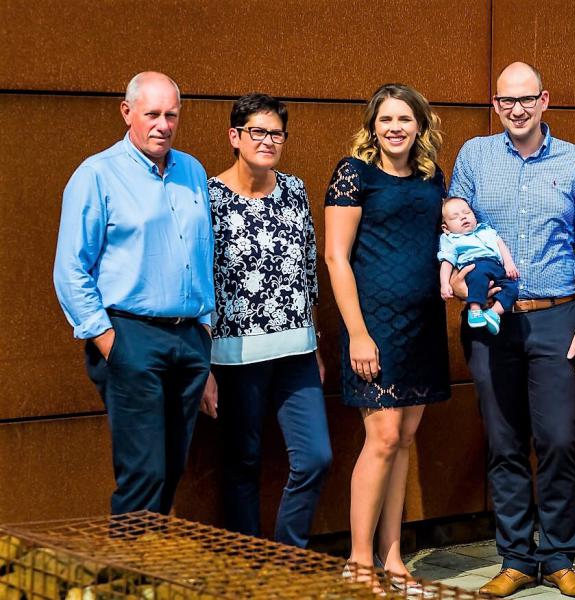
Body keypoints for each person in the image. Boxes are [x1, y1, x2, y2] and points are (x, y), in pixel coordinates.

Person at [448, 62, 575, 598]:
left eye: (526, 99)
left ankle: (560, 557)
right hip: (493, 321)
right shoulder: (473, 157)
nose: (516, 110)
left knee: (560, 439)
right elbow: (452, 233)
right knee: (504, 441)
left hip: (558, 316)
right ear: (495, 105)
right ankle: (516, 559)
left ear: (545, 100)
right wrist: (461, 282)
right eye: (505, 101)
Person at [53, 72, 213, 515]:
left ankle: (148, 576)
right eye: (152, 114)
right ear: (127, 113)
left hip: (188, 339)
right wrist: (109, 341)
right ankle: (126, 581)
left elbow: (202, 255)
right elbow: (70, 268)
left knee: (172, 466)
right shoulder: (97, 174)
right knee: (143, 472)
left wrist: (204, 331)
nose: (163, 124)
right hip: (131, 334)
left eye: (171, 115)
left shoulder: (192, 170)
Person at [324, 84, 450, 586]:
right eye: (385, 119)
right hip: (373, 325)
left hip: (421, 326)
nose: (395, 127)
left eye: (404, 119)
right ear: (372, 125)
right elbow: (336, 257)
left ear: (420, 125)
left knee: (404, 438)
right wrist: (357, 332)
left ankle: (393, 557)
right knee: (382, 437)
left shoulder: (431, 177)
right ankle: (358, 561)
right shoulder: (353, 174)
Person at [199, 93, 332, 548]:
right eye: (258, 131)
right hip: (235, 357)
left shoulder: (294, 189)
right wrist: (205, 368)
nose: (268, 141)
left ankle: (289, 554)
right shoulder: (209, 196)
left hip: (297, 351)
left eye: (276, 133)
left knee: (315, 456)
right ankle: (247, 566)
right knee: (243, 462)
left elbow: (307, 273)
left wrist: (314, 345)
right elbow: (200, 280)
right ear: (235, 136)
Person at [438, 197, 520, 334]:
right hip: (473, 266)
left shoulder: (486, 230)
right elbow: (446, 263)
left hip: (496, 267)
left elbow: (500, 245)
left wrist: (509, 263)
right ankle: (475, 310)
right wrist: (445, 283)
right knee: (478, 277)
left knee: (512, 288)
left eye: (467, 213)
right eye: (455, 217)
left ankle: (492, 314)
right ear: (446, 228)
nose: (463, 218)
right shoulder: (451, 240)